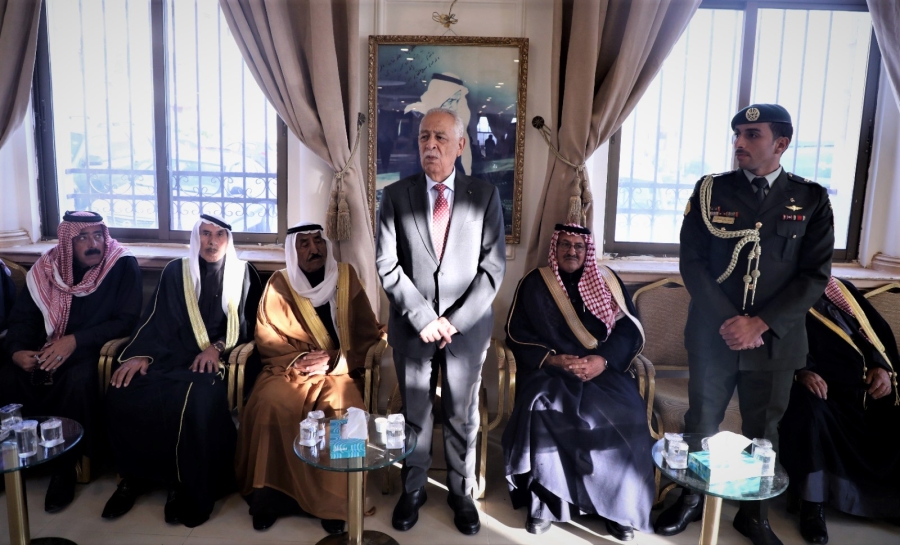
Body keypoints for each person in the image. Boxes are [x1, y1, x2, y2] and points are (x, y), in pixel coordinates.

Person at [656, 104, 835, 545]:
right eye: (737, 133)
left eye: (752, 134)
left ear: (781, 143)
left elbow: (814, 275)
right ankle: (692, 500)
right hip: (713, 335)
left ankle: (754, 516)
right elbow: (692, 263)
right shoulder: (710, 191)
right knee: (701, 423)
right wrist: (730, 321)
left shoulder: (811, 199)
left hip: (775, 341)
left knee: (764, 433)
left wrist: (760, 324)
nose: (739, 142)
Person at [376, 107, 506, 535]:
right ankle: (413, 490)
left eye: (440, 138)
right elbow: (387, 265)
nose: (430, 145)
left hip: (465, 331)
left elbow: (493, 269)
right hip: (413, 328)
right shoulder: (396, 196)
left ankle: (460, 493)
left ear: (460, 145)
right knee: (415, 414)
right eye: (424, 137)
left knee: (462, 414)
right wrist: (423, 318)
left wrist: (454, 321)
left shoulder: (484, 195)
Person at [102, 213, 261, 527]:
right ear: (196, 237)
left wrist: (216, 348)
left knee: (194, 400)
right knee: (124, 389)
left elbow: (249, 329)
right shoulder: (176, 270)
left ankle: (181, 484)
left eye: (219, 234)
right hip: (167, 355)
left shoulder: (243, 273)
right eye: (205, 234)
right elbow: (155, 319)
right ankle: (133, 479)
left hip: (214, 363)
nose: (212, 242)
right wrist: (142, 355)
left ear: (228, 239)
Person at [503, 223, 654, 542]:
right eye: (565, 245)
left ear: (588, 250)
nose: (572, 251)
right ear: (555, 248)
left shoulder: (607, 280)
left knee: (627, 411)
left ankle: (618, 509)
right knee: (545, 408)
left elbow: (628, 330)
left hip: (603, 370)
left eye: (579, 246)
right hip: (552, 370)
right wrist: (552, 359)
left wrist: (603, 360)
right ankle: (546, 505)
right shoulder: (536, 282)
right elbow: (516, 332)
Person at [234, 222, 383, 534]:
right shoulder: (279, 283)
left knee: (342, 411)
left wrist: (336, 359)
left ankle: (336, 502)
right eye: (304, 244)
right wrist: (299, 360)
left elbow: (367, 332)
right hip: (291, 368)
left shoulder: (346, 276)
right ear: (293, 250)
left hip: (339, 368)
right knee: (269, 403)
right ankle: (269, 498)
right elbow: (267, 336)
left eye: (318, 241)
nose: (314, 249)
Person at [0, 211, 142, 512]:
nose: (94, 244)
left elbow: (126, 321)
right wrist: (16, 351)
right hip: (44, 350)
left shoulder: (120, 264)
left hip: (90, 351)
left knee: (77, 381)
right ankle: (12, 462)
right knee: (8, 376)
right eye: (83, 237)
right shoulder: (47, 267)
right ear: (67, 242)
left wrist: (75, 341)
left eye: (98, 235)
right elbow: (23, 319)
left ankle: (65, 467)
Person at [779, 277, 899, 544]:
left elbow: (878, 332)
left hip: (865, 391)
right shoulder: (783, 291)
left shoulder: (843, 289)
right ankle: (812, 507)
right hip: (821, 391)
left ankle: (889, 501)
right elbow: (776, 339)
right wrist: (801, 371)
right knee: (809, 413)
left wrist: (882, 367)